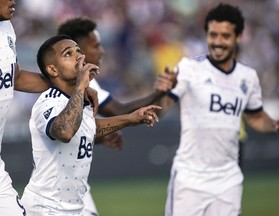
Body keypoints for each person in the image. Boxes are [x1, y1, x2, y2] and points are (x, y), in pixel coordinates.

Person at [156, 3, 279, 216]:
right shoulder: (189, 68)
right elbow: (162, 109)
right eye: (213, 35)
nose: (217, 42)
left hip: (228, 181)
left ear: (238, 36)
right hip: (190, 179)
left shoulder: (248, 77)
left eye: (225, 36)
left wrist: (274, 125)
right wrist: (161, 92)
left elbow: (255, 117)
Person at [20, 34, 161, 215]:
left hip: (73, 208)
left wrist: (129, 119)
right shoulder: (48, 102)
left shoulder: (81, 101)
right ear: (53, 70)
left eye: (78, 50)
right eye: (68, 54)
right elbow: (65, 132)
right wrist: (80, 86)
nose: (79, 56)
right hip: (45, 208)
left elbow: (88, 128)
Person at [57, 16, 174, 216]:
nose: (101, 51)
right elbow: (120, 111)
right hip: (58, 187)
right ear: (79, 52)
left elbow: (75, 131)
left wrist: (102, 137)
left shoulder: (83, 82)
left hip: (71, 181)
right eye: (96, 45)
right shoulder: (73, 84)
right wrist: (157, 93)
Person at [0, 2, 99, 215]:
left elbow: (16, 78)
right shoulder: (47, 105)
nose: (13, 1)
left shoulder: (6, 28)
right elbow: (63, 131)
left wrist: (74, 88)